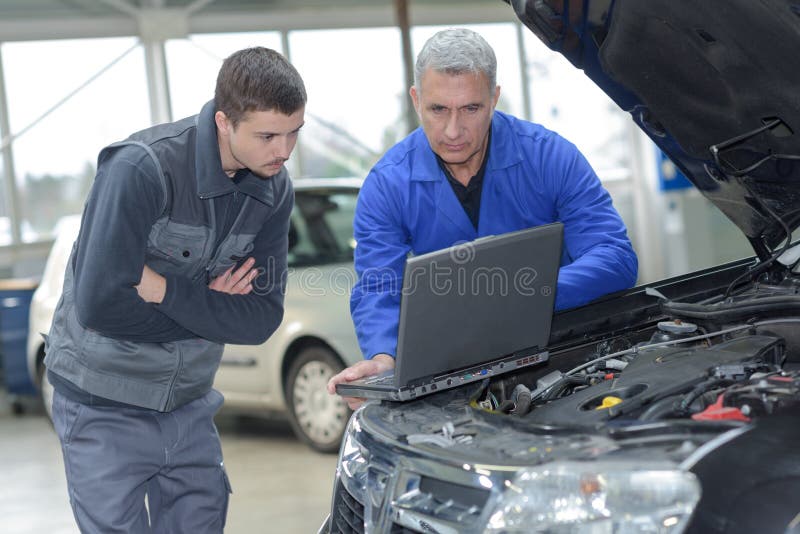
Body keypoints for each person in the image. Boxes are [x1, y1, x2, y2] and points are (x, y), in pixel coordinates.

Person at [43, 47, 305, 533]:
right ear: (225, 122)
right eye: (268, 135)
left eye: (294, 132)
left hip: (189, 403)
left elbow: (261, 317)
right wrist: (211, 304)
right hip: (102, 403)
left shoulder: (274, 189)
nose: (284, 150)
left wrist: (164, 289)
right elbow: (100, 305)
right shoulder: (141, 170)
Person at [327, 28, 637, 409]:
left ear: (494, 99)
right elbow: (379, 287)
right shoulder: (387, 185)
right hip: (451, 374)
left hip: (562, 356)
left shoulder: (551, 157)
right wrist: (383, 360)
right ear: (416, 99)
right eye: (438, 109)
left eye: (471, 109)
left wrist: (526, 294)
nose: (453, 131)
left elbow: (614, 257)